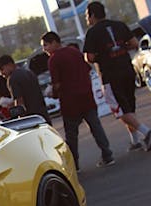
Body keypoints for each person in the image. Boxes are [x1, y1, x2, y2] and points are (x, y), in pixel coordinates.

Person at [83, 1, 151, 151]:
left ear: (93, 15)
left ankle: (147, 132)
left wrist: (104, 54)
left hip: (110, 75)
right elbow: (134, 43)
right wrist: (120, 48)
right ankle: (135, 140)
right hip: (127, 69)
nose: (87, 19)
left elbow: (90, 57)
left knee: (119, 110)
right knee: (128, 107)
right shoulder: (119, 25)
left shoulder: (93, 32)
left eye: (87, 16)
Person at [41, 31, 114, 169]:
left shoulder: (54, 59)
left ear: (54, 43)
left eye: (46, 45)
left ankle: (74, 165)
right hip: (86, 96)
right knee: (96, 127)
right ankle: (107, 154)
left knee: (71, 134)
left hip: (70, 102)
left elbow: (56, 84)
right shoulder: (74, 51)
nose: (45, 49)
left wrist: (53, 93)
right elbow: (87, 69)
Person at [0, 55, 51, 124]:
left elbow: (19, 102)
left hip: (31, 119)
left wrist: (20, 119)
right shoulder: (28, 72)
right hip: (43, 115)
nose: (1, 73)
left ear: (9, 65)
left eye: (2, 69)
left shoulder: (13, 78)